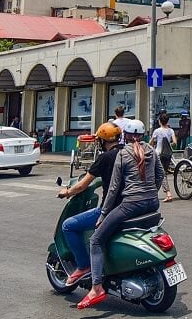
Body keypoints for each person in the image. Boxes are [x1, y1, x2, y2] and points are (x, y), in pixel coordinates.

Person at [79, 119, 164, 310]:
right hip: (152, 203)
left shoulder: (123, 154)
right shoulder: (151, 151)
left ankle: (96, 287)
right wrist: (151, 192)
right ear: (143, 135)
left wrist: (103, 214)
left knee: (96, 240)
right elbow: (160, 175)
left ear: (125, 135)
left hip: (131, 205)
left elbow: (114, 188)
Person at [56, 122, 122, 287]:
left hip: (110, 209)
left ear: (102, 141)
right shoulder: (127, 153)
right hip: (129, 206)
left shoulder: (104, 158)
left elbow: (82, 185)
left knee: (68, 225)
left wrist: (68, 192)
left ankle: (84, 266)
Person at [150, 114, 176, 203]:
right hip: (168, 154)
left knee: (161, 174)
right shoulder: (171, 131)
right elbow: (175, 142)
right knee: (162, 173)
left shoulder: (157, 131)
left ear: (160, 121)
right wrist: (168, 144)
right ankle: (154, 193)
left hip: (158, 154)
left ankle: (168, 194)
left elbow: (151, 143)